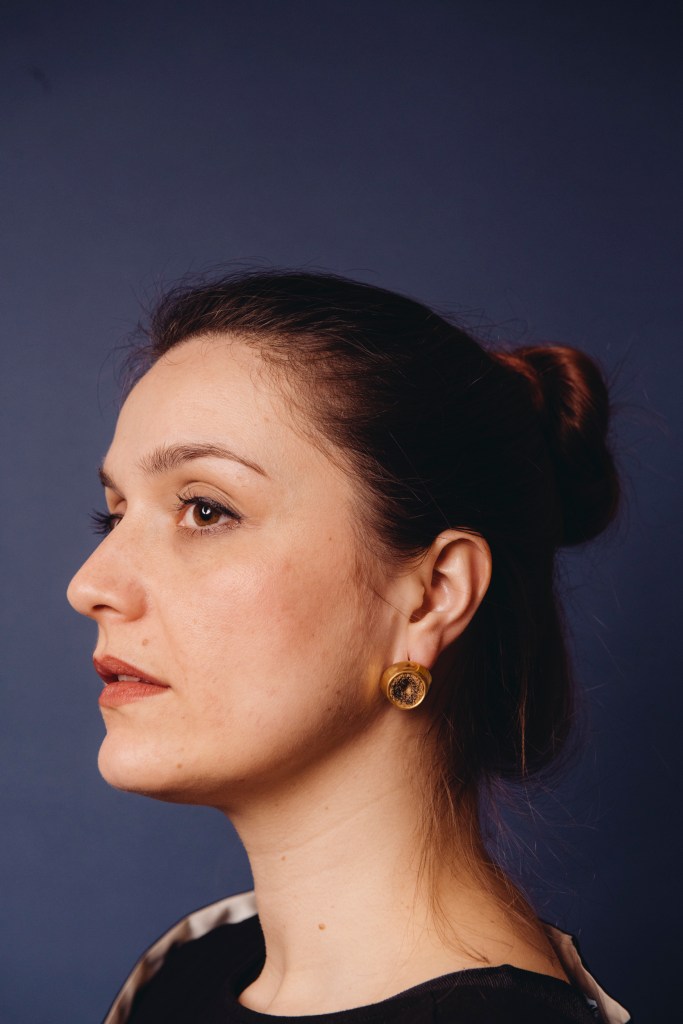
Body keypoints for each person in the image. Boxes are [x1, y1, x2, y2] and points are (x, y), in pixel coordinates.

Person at [67, 271, 631, 1023]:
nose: (90, 585)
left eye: (205, 509)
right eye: (114, 516)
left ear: (432, 596)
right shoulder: (180, 974)